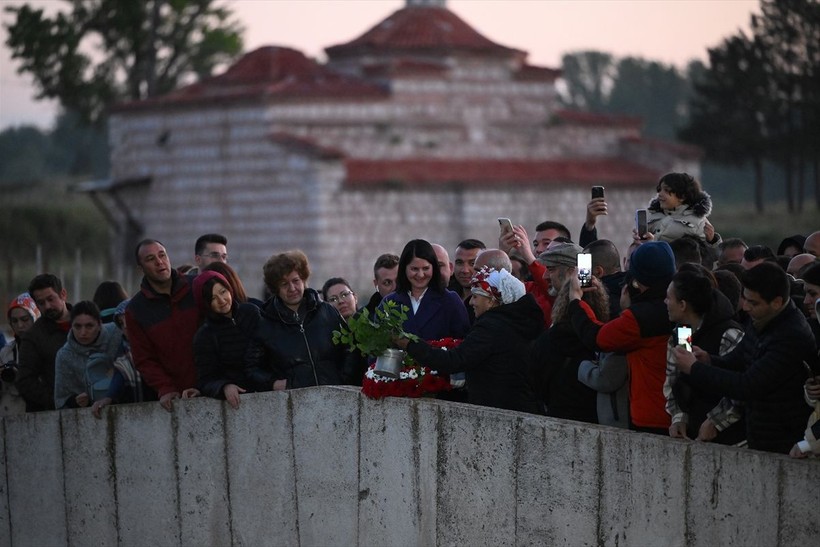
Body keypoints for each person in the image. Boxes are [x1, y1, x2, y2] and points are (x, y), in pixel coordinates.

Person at [672, 262, 817, 454]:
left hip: (782, 440)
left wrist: (695, 368)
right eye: (745, 299)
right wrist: (708, 360)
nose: (746, 307)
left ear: (776, 302)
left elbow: (747, 385)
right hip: (760, 435)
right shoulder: (762, 319)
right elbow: (738, 359)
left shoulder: (790, 335)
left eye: (753, 302)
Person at [394, 267, 543, 414]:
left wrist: (409, 344)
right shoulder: (518, 323)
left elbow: (453, 361)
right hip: (522, 408)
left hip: (500, 413)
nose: (471, 302)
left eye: (476, 296)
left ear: (491, 301)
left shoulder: (491, 327)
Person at [569, 241, 676, 434]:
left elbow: (598, 338)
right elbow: (684, 349)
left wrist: (576, 300)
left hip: (651, 417)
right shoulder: (677, 308)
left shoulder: (640, 318)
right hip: (677, 413)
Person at [246, 250, 349, 390]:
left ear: (304, 280)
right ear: (276, 288)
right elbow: (252, 369)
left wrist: (342, 378)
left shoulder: (327, 311)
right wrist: (274, 383)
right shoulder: (265, 323)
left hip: (336, 396)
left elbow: (349, 349)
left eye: (296, 281)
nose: (292, 288)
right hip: (293, 403)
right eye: (284, 284)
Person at [663, 267, 745, 444]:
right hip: (695, 436)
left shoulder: (728, 333)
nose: (665, 302)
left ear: (683, 305)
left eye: (669, 298)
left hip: (732, 440)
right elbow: (674, 380)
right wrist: (679, 416)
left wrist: (715, 422)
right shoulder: (682, 333)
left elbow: (742, 387)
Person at [531, 247, 608, 423]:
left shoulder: (605, 336)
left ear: (572, 272)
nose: (544, 276)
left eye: (551, 269)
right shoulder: (606, 331)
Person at [125, 239, 201, 411]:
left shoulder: (196, 286)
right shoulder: (136, 310)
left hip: (211, 385)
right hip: (174, 399)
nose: (159, 262)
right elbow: (144, 359)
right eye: (151, 259)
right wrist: (165, 387)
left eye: (162, 255)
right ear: (141, 269)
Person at [192, 270, 260, 408]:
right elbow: (206, 379)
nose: (222, 301)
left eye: (223, 292)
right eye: (213, 298)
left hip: (270, 390)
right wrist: (224, 386)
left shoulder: (251, 312)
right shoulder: (205, 336)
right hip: (237, 402)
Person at [381, 239, 470, 342]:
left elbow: (463, 346)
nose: (420, 275)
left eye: (426, 268)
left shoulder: (450, 301)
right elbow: (376, 346)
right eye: (414, 269)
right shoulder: (389, 302)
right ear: (404, 269)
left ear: (434, 268)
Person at [90, 299, 157, 418]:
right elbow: (120, 373)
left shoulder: (158, 343)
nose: (126, 326)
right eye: (121, 323)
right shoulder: (123, 351)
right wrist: (108, 397)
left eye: (129, 320)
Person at [16, 274, 73, 412]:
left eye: (51, 299)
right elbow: (25, 380)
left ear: (63, 294)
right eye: (41, 303)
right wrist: (56, 400)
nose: (47, 306)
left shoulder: (88, 321)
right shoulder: (34, 337)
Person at [53, 301, 123, 409]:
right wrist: (76, 401)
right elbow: (61, 400)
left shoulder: (117, 333)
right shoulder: (64, 356)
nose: (83, 332)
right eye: (77, 326)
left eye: (89, 326)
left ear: (99, 324)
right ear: (71, 326)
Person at [643, 172, 717, 245]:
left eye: (666, 190)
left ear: (682, 196)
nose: (660, 194)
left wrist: (712, 241)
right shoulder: (652, 215)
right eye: (659, 190)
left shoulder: (698, 222)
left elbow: (712, 254)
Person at [0, 293, 40, 416]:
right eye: (14, 321)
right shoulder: (6, 352)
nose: (20, 326)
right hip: (9, 415)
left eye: (25, 319)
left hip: (39, 415)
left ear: (35, 318)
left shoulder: (46, 349)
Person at [583, 239, 625, 319]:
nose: (581, 274)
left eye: (584, 269)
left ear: (598, 272)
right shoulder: (632, 291)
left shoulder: (601, 303)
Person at [449, 239, 486, 303]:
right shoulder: (444, 295)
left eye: (472, 263)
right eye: (459, 263)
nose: (465, 270)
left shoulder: (493, 301)